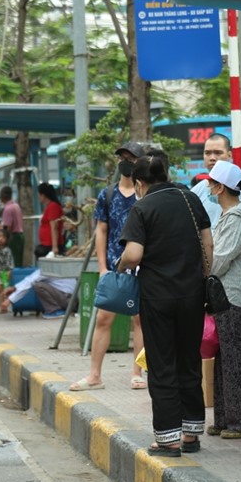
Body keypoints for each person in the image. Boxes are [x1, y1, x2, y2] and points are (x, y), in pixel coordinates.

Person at [117, 154, 212, 457]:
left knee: (162, 366)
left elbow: (133, 254)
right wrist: (204, 275)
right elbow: (208, 244)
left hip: (158, 297)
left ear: (140, 183)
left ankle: (168, 439)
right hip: (192, 294)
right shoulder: (190, 199)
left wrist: (119, 265)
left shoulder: (142, 208)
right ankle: (190, 435)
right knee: (189, 361)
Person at [70, 142, 146, 392]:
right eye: (122, 157)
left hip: (142, 266)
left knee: (140, 320)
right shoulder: (107, 194)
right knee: (104, 317)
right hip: (114, 267)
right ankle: (94, 375)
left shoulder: (146, 193)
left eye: (131, 158)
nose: (126, 162)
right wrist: (102, 266)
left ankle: (137, 372)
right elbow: (101, 230)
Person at [205, 160, 241, 439]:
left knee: (236, 362)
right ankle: (225, 420)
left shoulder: (237, 219)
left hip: (233, 299)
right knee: (223, 361)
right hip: (223, 299)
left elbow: (219, 261)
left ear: (220, 188)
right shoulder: (228, 216)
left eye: (211, 183)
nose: (207, 187)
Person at [191, 133, 241, 285]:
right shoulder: (196, 192)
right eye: (208, 153)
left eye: (218, 153)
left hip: (240, 271)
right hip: (210, 271)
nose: (212, 158)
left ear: (229, 155)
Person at [0, 268, 75, 319]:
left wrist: (9, 300)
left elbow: (32, 281)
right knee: (38, 283)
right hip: (71, 300)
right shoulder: (56, 266)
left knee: (39, 285)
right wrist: (14, 288)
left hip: (67, 299)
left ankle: (54, 311)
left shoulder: (49, 268)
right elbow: (30, 279)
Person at [0, 185, 24, 267]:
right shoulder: (16, 206)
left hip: (13, 238)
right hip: (20, 236)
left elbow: (7, 228)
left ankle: (12, 279)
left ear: (2, 196)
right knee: (18, 261)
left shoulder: (8, 209)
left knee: (11, 263)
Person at [35, 182, 65, 261]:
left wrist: (54, 247)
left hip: (50, 244)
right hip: (46, 243)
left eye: (39, 194)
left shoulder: (53, 206)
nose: (38, 197)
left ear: (43, 195)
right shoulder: (49, 207)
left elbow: (54, 227)